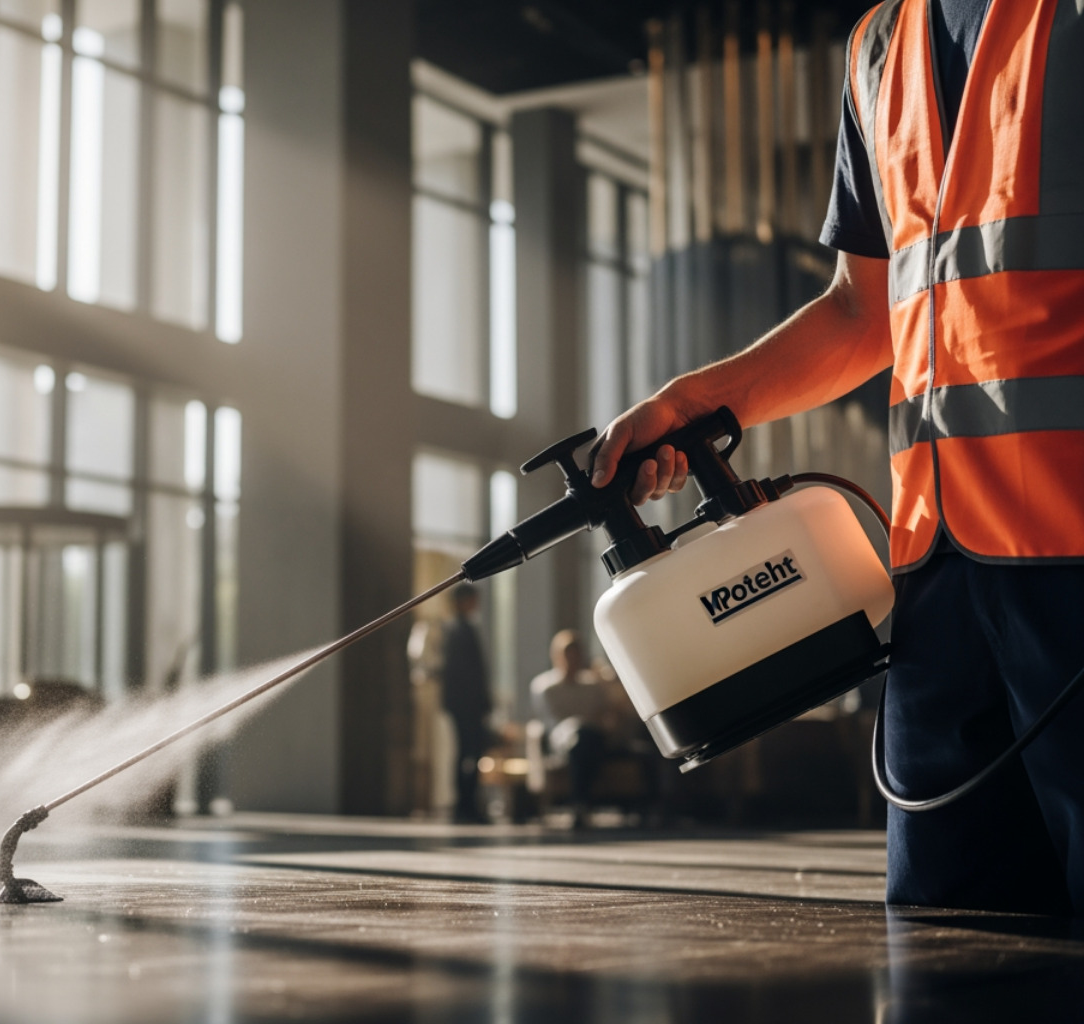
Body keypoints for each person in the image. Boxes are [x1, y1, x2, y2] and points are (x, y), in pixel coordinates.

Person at [592, 0, 1084, 916]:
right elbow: (866, 311)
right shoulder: (879, 47)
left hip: (1074, 551)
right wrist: (699, 402)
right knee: (950, 927)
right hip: (938, 575)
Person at [530, 631, 609, 809]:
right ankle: (581, 801)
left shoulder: (593, 686)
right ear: (556, 656)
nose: (572, 661)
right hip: (562, 740)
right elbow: (550, 721)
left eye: (576, 655)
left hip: (592, 736)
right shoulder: (545, 687)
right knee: (580, 742)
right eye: (568, 655)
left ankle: (581, 801)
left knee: (588, 741)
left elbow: (601, 714)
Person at [440, 583, 491, 823]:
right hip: (466, 706)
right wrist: (479, 703)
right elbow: (464, 674)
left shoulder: (460, 629)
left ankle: (467, 803)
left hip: (465, 705)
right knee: (468, 754)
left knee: (467, 754)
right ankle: (466, 804)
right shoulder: (459, 631)